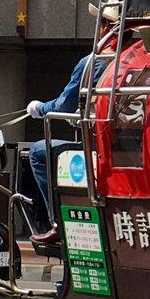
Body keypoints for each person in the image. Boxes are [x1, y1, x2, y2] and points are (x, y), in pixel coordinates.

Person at [25, 15, 115, 251]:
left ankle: (58, 222)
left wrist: (39, 108)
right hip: (126, 151)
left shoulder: (94, 62)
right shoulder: (137, 58)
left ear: (105, 26)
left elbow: (63, 106)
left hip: (98, 148)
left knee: (37, 152)